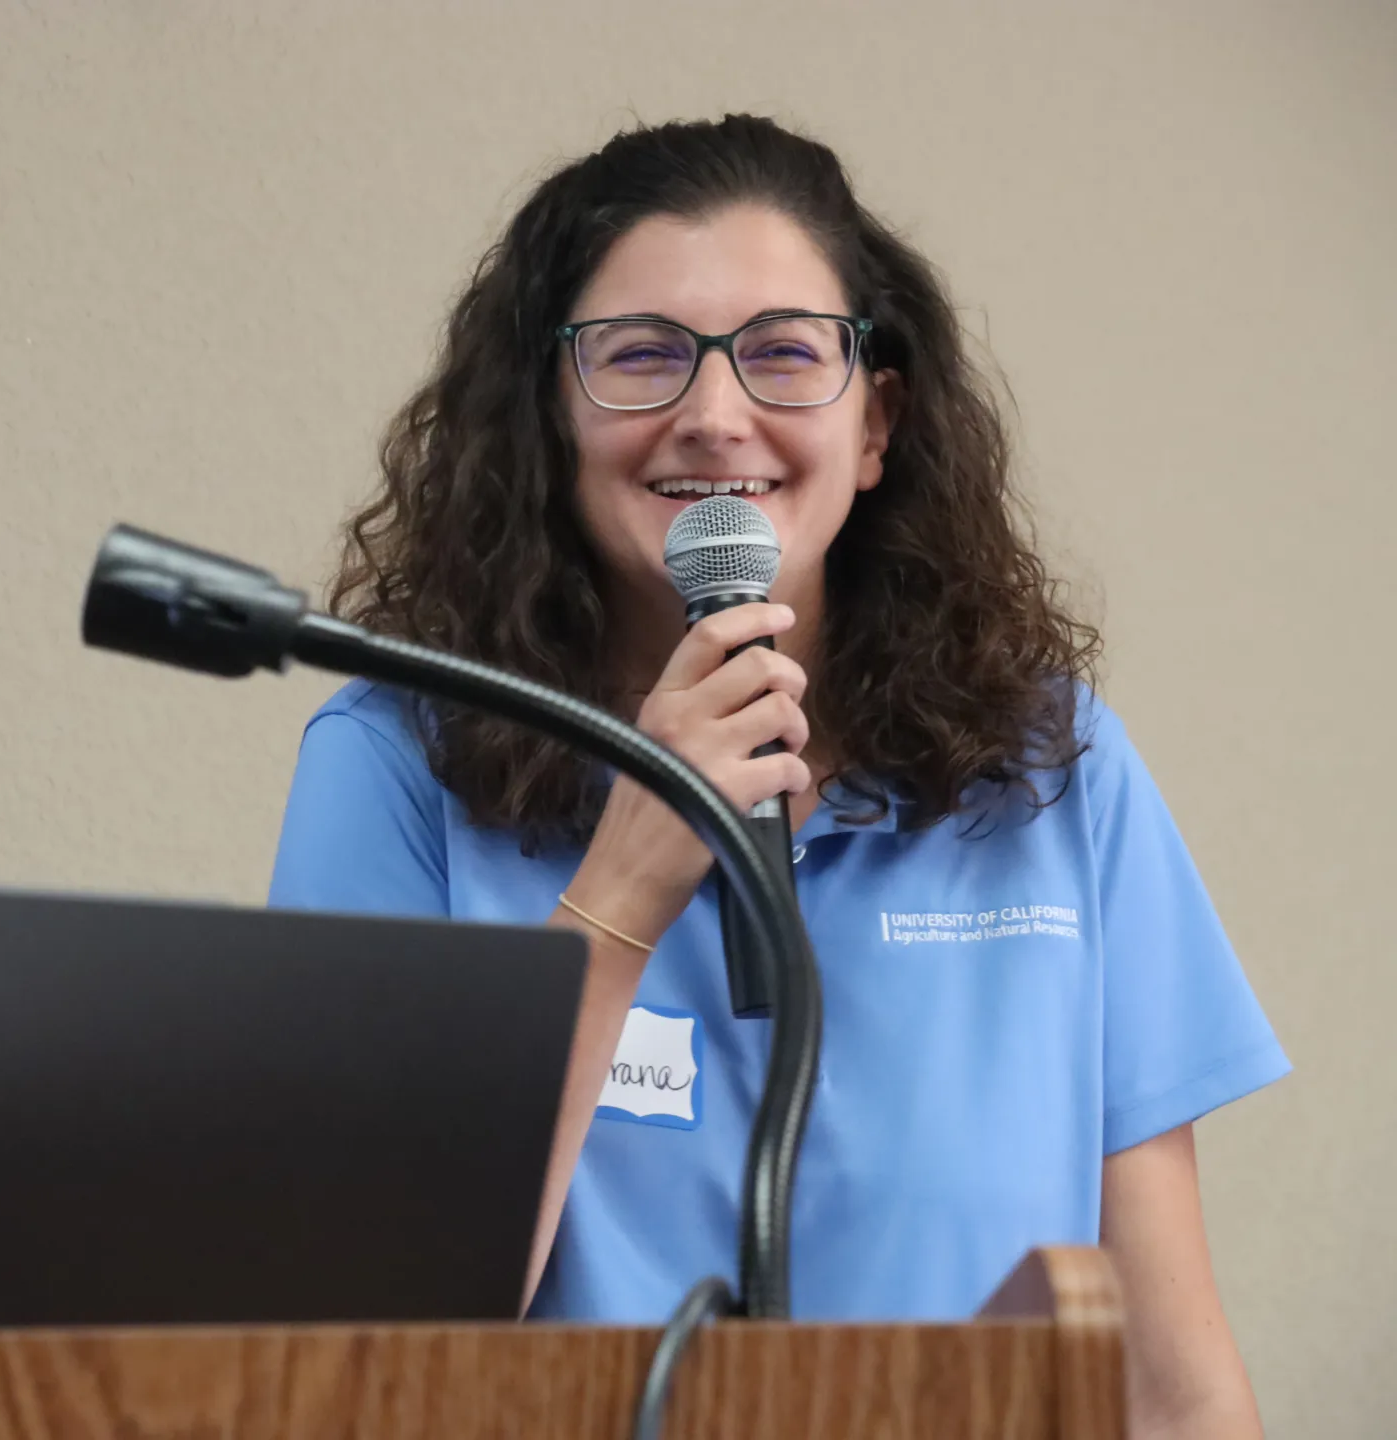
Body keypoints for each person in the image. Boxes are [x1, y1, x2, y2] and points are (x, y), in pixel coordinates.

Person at [268, 114, 1286, 1438]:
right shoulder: (398, 762)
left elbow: (1168, 1387)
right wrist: (621, 889)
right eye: (642, 355)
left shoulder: (1048, 769)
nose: (713, 415)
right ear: (549, 418)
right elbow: (355, 1336)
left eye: (784, 353)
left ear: (876, 425)